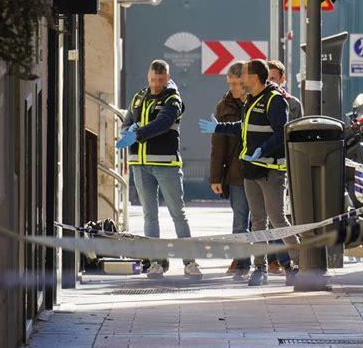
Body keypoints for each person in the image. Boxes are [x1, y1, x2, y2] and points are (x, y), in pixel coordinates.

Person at [199, 59, 299, 286]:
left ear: (254, 77)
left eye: (244, 74)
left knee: (277, 219)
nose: (241, 78)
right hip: (251, 171)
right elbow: (243, 126)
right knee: (257, 222)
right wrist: (218, 127)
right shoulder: (251, 100)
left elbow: (280, 132)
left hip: (271, 171)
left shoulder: (274, 100)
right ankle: (259, 269)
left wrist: (263, 149)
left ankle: (297, 264)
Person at [118, 59, 202, 280]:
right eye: (153, 80)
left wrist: (136, 134)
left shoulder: (173, 99)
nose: (157, 84)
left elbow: (163, 123)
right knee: (149, 215)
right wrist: (128, 129)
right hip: (140, 164)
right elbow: (125, 123)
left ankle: (190, 262)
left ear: (168, 77)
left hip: (166, 164)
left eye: (161, 80)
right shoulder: (138, 98)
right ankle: (155, 263)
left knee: (178, 214)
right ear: (148, 76)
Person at [209, 61, 251, 281]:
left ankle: (262, 263)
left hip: (259, 170)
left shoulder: (258, 102)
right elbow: (218, 146)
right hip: (236, 174)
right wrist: (216, 177)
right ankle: (243, 264)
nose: (232, 88)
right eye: (230, 83)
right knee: (240, 221)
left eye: (236, 83)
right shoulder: (223, 107)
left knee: (260, 221)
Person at [266, 60, 303, 275]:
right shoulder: (258, 100)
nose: (271, 81)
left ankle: (284, 259)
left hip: (285, 164)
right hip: (264, 163)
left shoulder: (294, 104)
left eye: (274, 77)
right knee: (267, 215)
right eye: (267, 77)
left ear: (283, 79)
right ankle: (273, 260)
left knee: (279, 214)